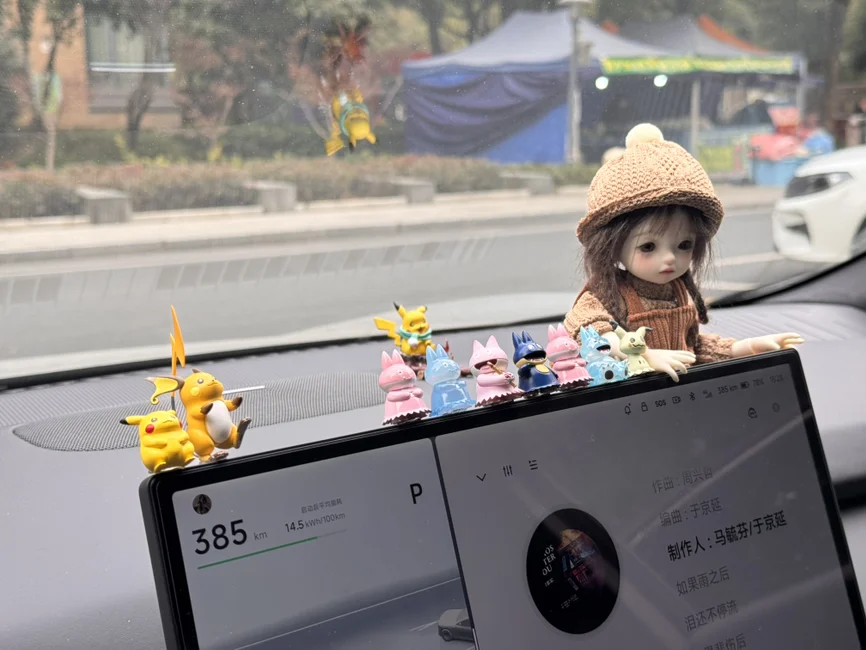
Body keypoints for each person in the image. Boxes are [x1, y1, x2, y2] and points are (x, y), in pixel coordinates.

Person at [564, 123, 803, 381]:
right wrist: (642, 355)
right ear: (611, 247)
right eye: (648, 247)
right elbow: (588, 330)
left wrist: (743, 348)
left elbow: (693, 346)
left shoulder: (678, 292)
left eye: (684, 245)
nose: (669, 258)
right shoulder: (609, 293)